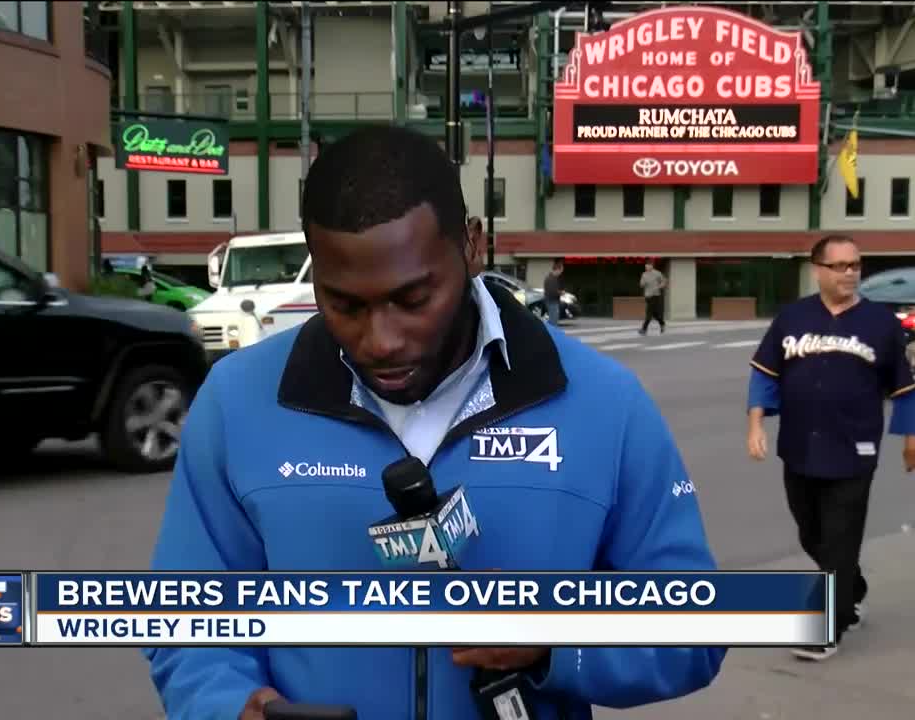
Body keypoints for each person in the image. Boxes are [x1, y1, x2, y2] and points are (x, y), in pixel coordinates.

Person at [143, 125, 725, 719]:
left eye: (414, 299)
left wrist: (557, 636)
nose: (383, 340)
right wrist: (231, 706)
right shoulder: (237, 402)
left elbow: (696, 628)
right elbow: (188, 619)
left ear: (472, 246)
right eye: (345, 304)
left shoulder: (607, 404)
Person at [746, 234, 915, 661]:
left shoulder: (881, 324)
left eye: (856, 265)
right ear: (818, 269)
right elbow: (765, 373)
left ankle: (827, 624)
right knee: (812, 533)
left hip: (855, 449)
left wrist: (912, 438)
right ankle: (852, 587)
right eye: (841, 266)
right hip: (799, 446)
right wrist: (755, 422)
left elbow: (905, 387)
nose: (850, 273)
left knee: (840, 537)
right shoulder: (793, 318)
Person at [638, 260, 666, 335]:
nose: (646, 267)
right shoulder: (644, 274)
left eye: (647, 266)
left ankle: (644, 329)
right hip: (647, 296)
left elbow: (664, 282)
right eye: (645, 266)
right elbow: (641, 284)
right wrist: (642, 283)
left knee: (649, 313)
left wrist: (659, 287)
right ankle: (662, 324)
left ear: (651, 266)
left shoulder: (657, 273)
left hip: (655, 295)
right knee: (654, 314)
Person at [543, 258, 564, 325]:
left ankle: (550, 333)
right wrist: (561, 293)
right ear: (557, 270)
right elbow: (552, 292)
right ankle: (552, 334)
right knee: (553, 321)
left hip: (550, 301)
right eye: (561, 271)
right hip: (552, 302)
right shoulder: (551, 279)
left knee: (552, 320)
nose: (561, 273)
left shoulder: (550, 278)